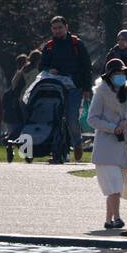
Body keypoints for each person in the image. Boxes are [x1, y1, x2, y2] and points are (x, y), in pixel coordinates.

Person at [87, 59, 127, 230]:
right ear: (109, 76)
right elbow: (92, 118)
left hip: (122, 145)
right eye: (116, 74)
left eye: (122, 73)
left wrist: (126, 123)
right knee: (113, 185)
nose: (120, 76)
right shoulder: (101, 93)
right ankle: (117, 218)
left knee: (118, 186)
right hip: (106, 146)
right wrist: (112, 127)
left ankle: (108, 220)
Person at [41, 15, 93, 162]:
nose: (57, 31)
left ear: (66, 27)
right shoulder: (49, 46)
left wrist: (86, 88)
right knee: (55, 119)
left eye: (60, 28)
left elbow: (86, 67)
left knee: (71, 118)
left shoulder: (77, 44)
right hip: (55, 88)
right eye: (54, 28)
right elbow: (42, 66)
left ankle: (77, 143)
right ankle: (57, 149)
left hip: (74, 88)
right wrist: (49, 69)